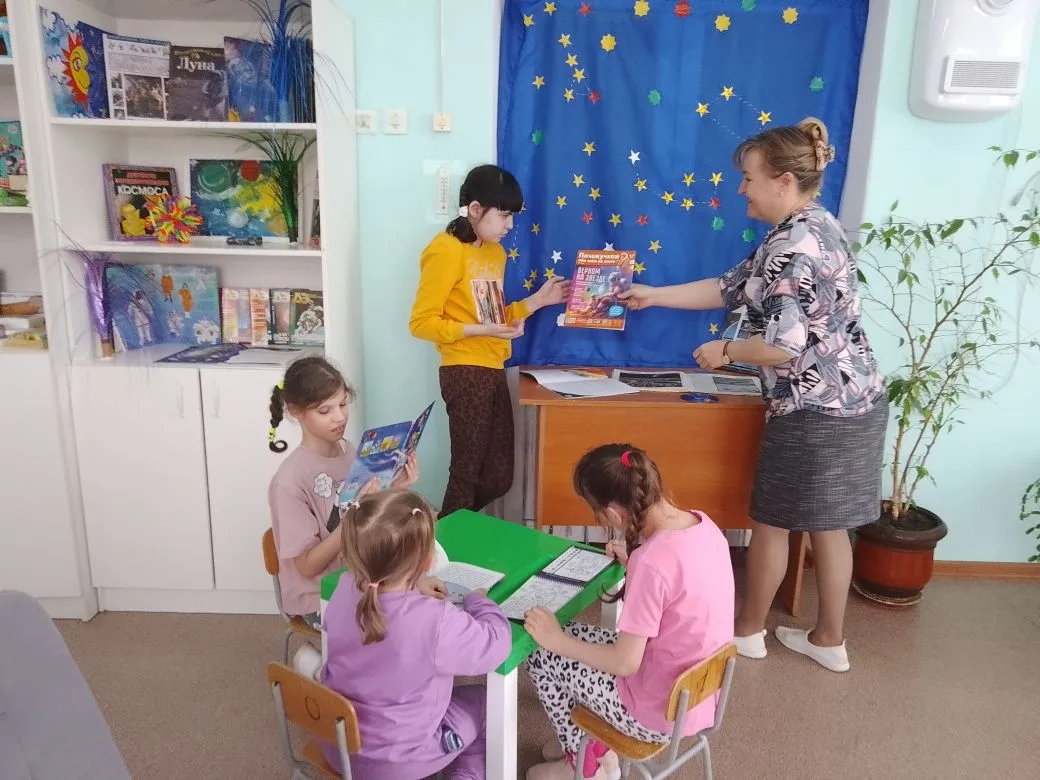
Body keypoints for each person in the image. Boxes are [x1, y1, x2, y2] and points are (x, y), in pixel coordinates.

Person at [619, 117, 888, 673]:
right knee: (830, 524)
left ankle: (746, 633)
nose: (741, 188)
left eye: (749, 177)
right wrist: (654, 295)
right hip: (857, 397)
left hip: (811, 408)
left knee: (771, 521)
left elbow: (782, 345)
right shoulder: (815, 226)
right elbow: (729, 287)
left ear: (784, 181)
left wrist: (726, 349)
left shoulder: (791, 245)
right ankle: (829, 639)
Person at [523, 444, 734, 780]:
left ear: (613, 514)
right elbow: (678, 587)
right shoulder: (704, 525)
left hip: (653, 713)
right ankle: (588, 745)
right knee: (569, 637)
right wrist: (635, 560)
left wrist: (557, 641)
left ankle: (583, 764)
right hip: (698, 698)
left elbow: (624, 663)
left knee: (541, 650)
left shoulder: (652, 562)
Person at [409, 164, 570, 517]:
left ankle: (444, 528)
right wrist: (482, 331)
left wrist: (537, 301)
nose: (510, 225)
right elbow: (421, 323)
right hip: (464, 371)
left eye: (512, 216)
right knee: (466, 475)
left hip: (493, 367)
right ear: (475, 209)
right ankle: (442, 542)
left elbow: (492, 317)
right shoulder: (445, 250)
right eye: (504, 215)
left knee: (498, 478)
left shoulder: (495, 253)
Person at [320, 489, 512, 779]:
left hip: (337, 744)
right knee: (488, 704)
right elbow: (495, 646)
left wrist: (412, 586)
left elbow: (378, 615)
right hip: (399, 760)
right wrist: (479, 601)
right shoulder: (435, 620)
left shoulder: (345, 586)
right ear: (426, 561)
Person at [266, 356, 420, 628]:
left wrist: (394, 487)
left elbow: (369, 522)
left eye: (343, 404)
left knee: (422, 608)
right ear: (295, 411)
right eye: (324, 411)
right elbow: (307, 566)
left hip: (360, 580)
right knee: (404, 627)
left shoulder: (349, 452)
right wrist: (353, 516)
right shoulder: (289, 481)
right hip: (319, 598)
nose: (339, 417)